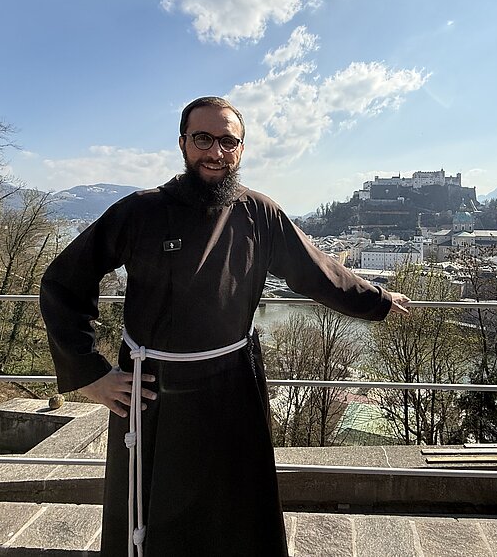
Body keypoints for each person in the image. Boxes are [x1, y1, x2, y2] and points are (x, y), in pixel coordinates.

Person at [40, 96, 410, 556]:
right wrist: (89, 372)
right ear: (182, 143)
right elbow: (63, 282)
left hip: (234, 383)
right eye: (203, 139)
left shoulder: (260, 213)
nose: (216, 152)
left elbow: (315, 272)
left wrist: (378, 299)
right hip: (154, 390)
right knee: (155, 518)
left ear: (241, 149)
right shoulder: (139, 212)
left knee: (237, 514)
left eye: (228, 142)